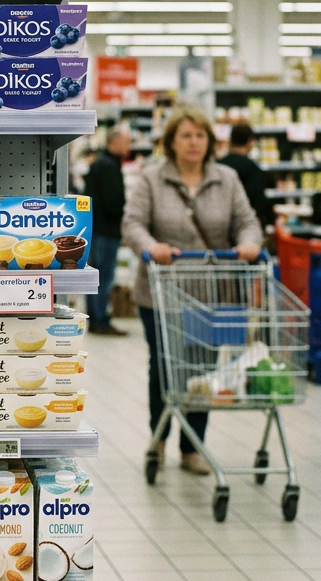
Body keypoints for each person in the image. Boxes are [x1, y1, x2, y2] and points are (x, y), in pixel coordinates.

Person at [122, 107, 262, 475]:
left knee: (202, 369)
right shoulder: (152, 179)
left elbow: (247, 222)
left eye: (200, 135)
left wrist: (248, 244)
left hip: (214, 293)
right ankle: (159, 441)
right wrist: (151, 247)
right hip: (161, 292)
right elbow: (133, 223)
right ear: (170, 143)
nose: (194, 142)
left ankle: (192, 447)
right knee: (165, 368)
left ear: (211, 142)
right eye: (185, 135)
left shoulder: (227, 179)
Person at [84, 125, 131, 335]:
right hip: (106, 231)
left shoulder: (100, 164)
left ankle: (96, 318)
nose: (129, 146)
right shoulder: (109, 166)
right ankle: (100, 320)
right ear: (115, 141)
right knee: (103, 277)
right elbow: (113, 202)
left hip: (96, 229)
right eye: (127, 142)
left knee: (95, 276)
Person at [218, 122, 273, 230]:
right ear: (250, 141)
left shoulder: (219, 164)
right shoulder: (251, 167)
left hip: (221, 224)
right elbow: (258, 201)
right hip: (244, 226)